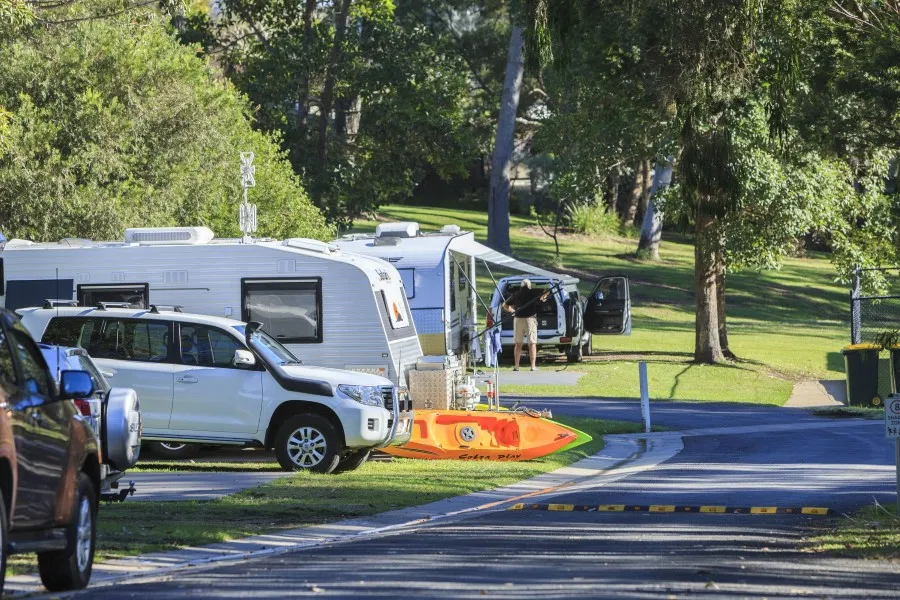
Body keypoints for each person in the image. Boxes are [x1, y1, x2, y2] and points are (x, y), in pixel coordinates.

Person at [502, 279, 551, 371]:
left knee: (518, 343)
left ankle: (516, 366)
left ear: (521, 286)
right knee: (532, 343)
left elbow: (504, 305)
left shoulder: (516, 294)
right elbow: (547, 290)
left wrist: (513, 311)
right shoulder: (533, 292)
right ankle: (532, 366)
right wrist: (543, 297)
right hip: (530, 319)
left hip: (518, 319)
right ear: (529, 286)